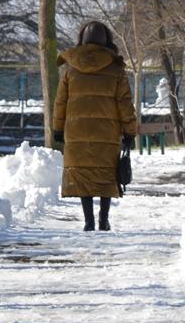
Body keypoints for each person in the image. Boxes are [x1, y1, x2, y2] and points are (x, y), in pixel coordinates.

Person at [52, 21, 137, 231]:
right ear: (107, 40)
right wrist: (130, 131)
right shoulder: (115, 68)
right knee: (106, 173)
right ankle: (103, 219)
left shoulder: (71, 69)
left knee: (83, 173)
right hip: (107, 132)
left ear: (82, 39)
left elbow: (60, 102)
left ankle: (88, 220)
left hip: (76, 131)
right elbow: (124, 103)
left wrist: (58, 129)